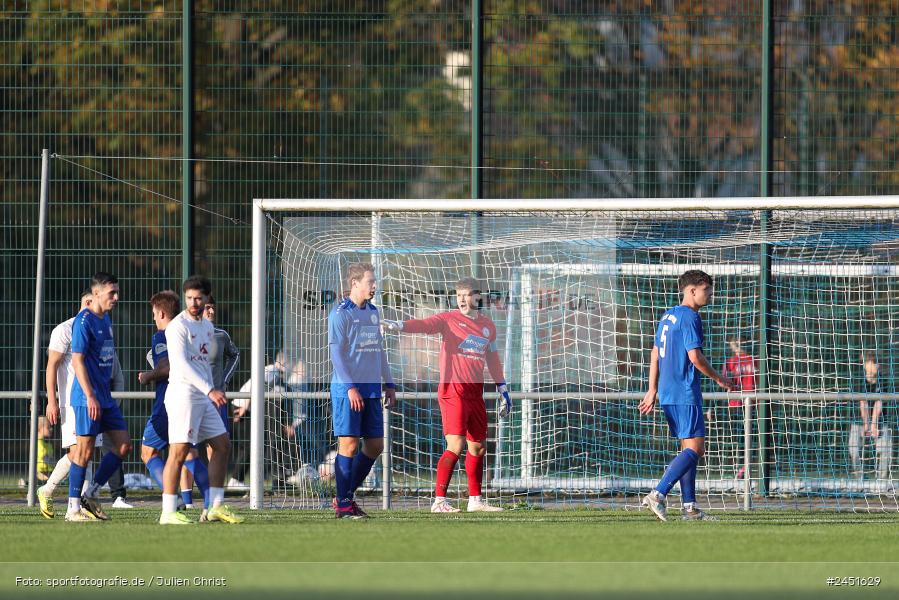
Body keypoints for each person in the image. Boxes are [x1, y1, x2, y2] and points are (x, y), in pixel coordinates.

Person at [382, 276, 511, 513]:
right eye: (458, 295)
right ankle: (439, 501)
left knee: (478, 447)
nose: (462, 299)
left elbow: (492, 359)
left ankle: (475, 500)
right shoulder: (448, 319)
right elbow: (424, 324)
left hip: (475, 393)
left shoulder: (488, 326)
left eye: (467, 294)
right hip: (453, 391)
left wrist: (503, 388)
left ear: (478, 297)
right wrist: (399, 325)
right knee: (456, 443)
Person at [638, 270, 731, 521]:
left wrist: (652, 389)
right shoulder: (690, 317)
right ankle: (658, 493)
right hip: (684, 391)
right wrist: (719, 378)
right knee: (696, 450)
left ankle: (690, 508)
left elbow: (655, 353)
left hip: (668, 393)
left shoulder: (668, 315)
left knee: (688, 449)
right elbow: (695, 357)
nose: (711, 295)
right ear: (692, 290)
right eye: (707, 290)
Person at [158, 276, 243, 525]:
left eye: (199, 298)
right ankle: (168, 512)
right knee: (179, 452)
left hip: (204, 397)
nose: (194, 303)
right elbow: (181, 365)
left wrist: (213, 390)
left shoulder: (206, 327)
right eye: (189, 298)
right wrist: (210, 390)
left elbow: (203, 364)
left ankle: (215, 506)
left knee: (222, 445)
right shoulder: (177, 326)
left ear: (207, 298)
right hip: (183, 396)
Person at [328, 262, 397, 518]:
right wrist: (350, 388)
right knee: (348, 445)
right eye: (370, 281)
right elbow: (335, 354)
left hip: (371, 390)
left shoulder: (373, 312)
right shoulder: (340, 313)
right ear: (355, 283)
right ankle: (345, 504)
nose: (374, 286)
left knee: (376, 445)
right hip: (348, 390)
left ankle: (344, 496)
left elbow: (378, 351)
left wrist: (389, 383)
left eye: (374, 281)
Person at [65, 272, 133, 522]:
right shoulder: (83, 322)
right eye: (111, 293)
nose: (117, 297)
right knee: (84, 452)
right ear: (95, 294)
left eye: (117, 292)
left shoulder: (106, 320)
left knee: (124, 445)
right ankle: (72, 509)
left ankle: (91, 493)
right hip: (87, 398)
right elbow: (78, 361)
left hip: (104, 397)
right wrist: (91, 396)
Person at [137, 290, 211, 512]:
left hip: (167, 403)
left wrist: (148, 375)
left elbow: (168, 367)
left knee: (148, 452)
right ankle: (211, 502)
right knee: (189, 452)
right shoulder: (187, 331)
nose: (152, 318)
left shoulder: (162, 335)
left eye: (153, 313)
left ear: (160, 313)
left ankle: (175, 500)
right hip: (191, 399)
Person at [179, 296, 240, 503]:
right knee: (187, 448)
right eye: (207, 308)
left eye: (213, 308)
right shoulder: (186, 332)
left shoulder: (221, 335)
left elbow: (235, 355)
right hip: (193, 398)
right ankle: (186, 500)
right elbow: (158, 355)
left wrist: (224, 380)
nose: (211, 311)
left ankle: (212, 499)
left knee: (218, 447)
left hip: (216, 400)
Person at [849, 352, 892, 478]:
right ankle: (859, 479)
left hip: (879, 420)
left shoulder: (882, 380)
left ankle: (881, 481)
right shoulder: (857, 380)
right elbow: (864, 403)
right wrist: (866, 425)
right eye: (874, 363)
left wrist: (874, 425)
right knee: (854, 449)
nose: (877, 366)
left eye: (877, 363)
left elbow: (878, 403)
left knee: (886, 450)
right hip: (859, 420)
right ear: (866, 365)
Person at [721, 336, 756, 479]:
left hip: (753, 403)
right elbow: (723, 381)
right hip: (736, 404)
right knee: (739, 438)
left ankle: (744, 467)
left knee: (749, 437)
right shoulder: (730, 362)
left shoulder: (755, 359)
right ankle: (741, 466)